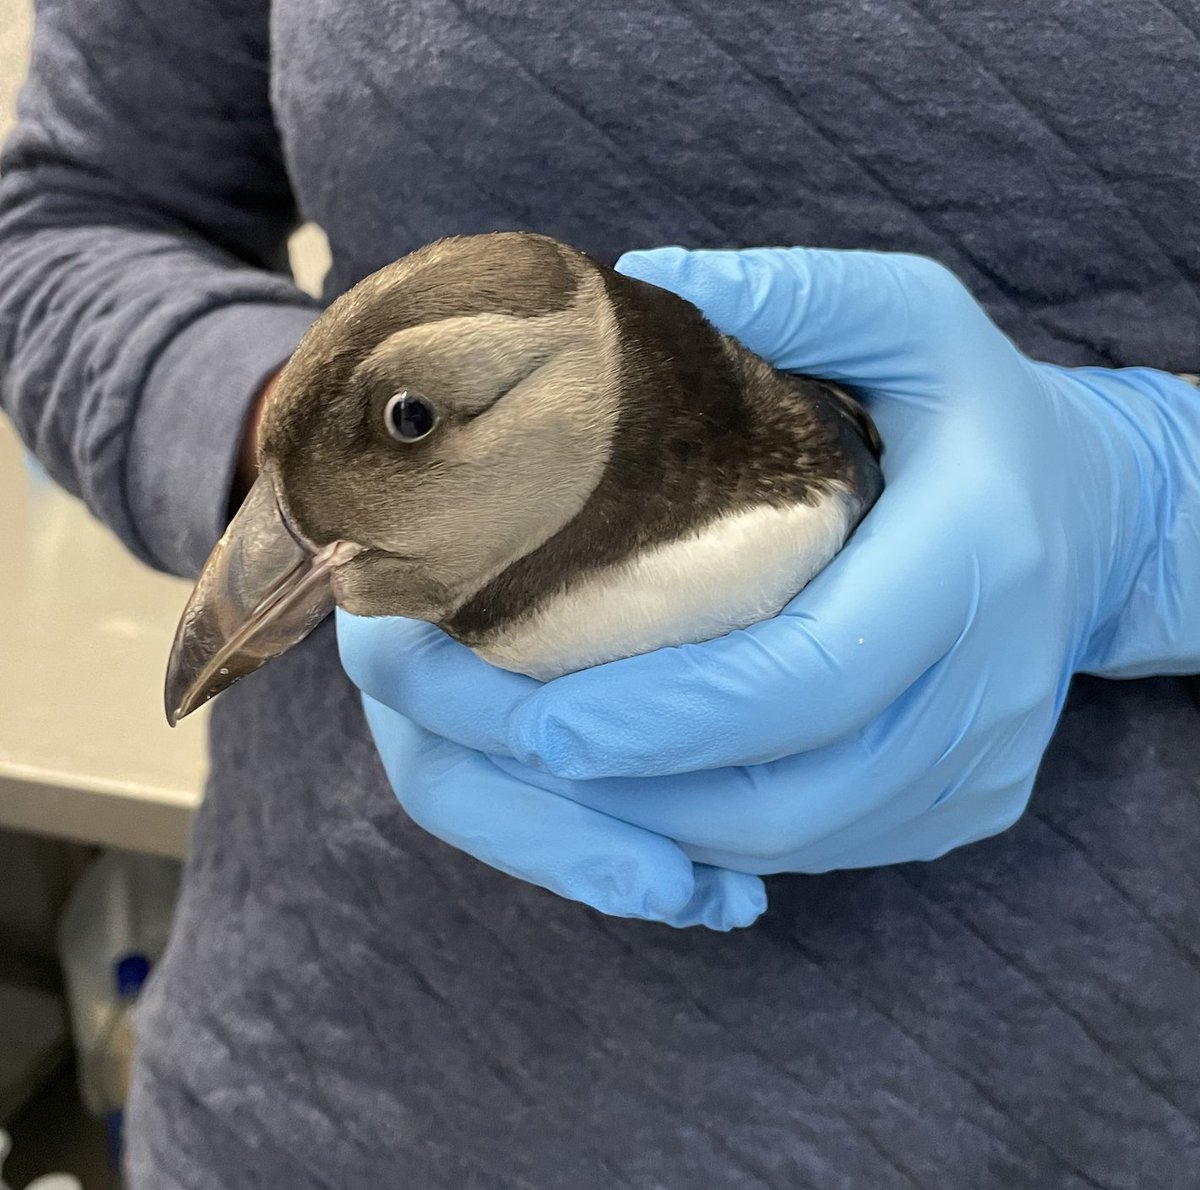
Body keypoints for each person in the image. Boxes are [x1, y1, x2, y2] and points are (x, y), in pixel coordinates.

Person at [2, 0, 1197, 1184]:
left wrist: (1148, 511)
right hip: (325, 1070)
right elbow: (68, 218)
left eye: (413, 419)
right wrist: (281, 435)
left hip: (1085, 1106)